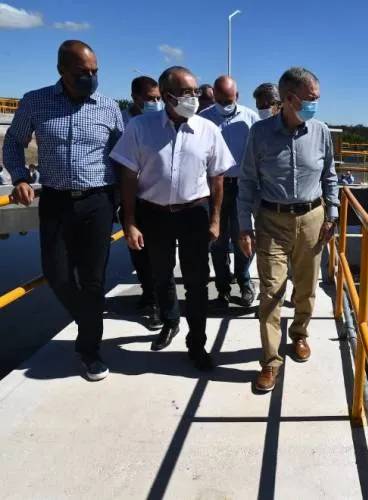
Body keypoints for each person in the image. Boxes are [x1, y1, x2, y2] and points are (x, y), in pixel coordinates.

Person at [2, 40, 123, 381]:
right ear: (62, 71)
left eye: (95, 71)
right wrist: (20, 177)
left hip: (98, 202)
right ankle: (89, 319)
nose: (91, 77)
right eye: (82, 72)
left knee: (93, 278)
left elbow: (123, 155)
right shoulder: (35, 101)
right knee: (56, 273)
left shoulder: (108, 107)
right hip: (55, 200)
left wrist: (122, 202)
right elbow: (14, 142)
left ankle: (89, 351)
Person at [111, 65, 234, 371]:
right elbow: (127, 176)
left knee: (196, 282)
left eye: (195, 91)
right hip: (153, 214)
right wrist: (130, 221)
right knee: (161, 275)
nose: (194, 97)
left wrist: (216, 219)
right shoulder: (140, 127)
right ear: (167, 96)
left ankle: (197, 343)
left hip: (194, 213)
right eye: (186, 92)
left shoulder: (208, 130)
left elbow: (217, 178)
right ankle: (170, 321)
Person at [237, 67, 339, 392]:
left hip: (312, 218)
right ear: (290, 99)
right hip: (272, 222)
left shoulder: (321, 131)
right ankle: (270, 362)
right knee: (271, 293)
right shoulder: (261, 133)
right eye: (311, 99)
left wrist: (332, 212)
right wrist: (244, 227)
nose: (315, 105)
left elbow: (330, 175)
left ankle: (300, 335)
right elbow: (248, 182)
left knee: (307, 288)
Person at [200, 75, 260, 308]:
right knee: (217, 239)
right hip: (214, 187)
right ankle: (223, 287)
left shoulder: (250, 118)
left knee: (243, 236)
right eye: (221, 99)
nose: (225, 104)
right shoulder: (203, 119)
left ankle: (244, 281)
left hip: (242, 186)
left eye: (230, 99)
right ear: (213, 95)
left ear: (237, 96)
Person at [121, 76, 162, 329]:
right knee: (137, 251)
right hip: (127, 196)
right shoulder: (121, 121)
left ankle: (157, 303)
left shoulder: (158, 121)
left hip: (152, 197)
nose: (155, 103)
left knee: (154, 251)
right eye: (150, 99)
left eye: (158, 98)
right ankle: (148, 293)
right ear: (135, 97)